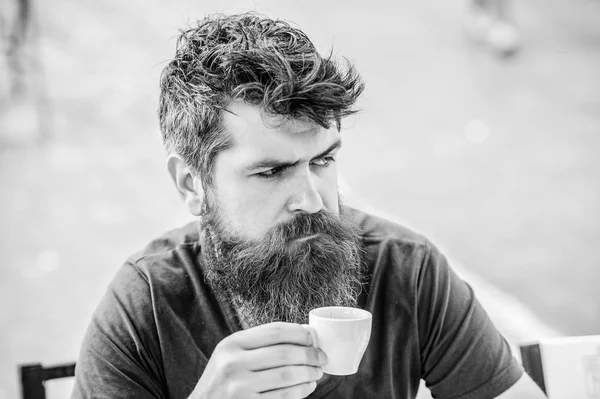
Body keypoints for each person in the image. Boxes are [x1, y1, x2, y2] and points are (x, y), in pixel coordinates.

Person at [72, 12, 546, 399]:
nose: (312, 199)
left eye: (323, 160)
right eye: (271, 171)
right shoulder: (148, 303)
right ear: (192, 184)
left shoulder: (405, 270)